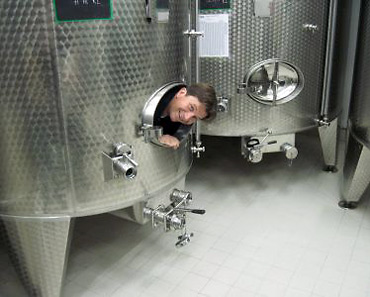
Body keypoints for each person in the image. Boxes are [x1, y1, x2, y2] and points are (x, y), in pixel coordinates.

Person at [154, 83, 217, 149]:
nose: (186, 117)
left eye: (194, 117)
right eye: (191, 107)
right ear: (181, 93)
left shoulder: (177, 126)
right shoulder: (154, 101)